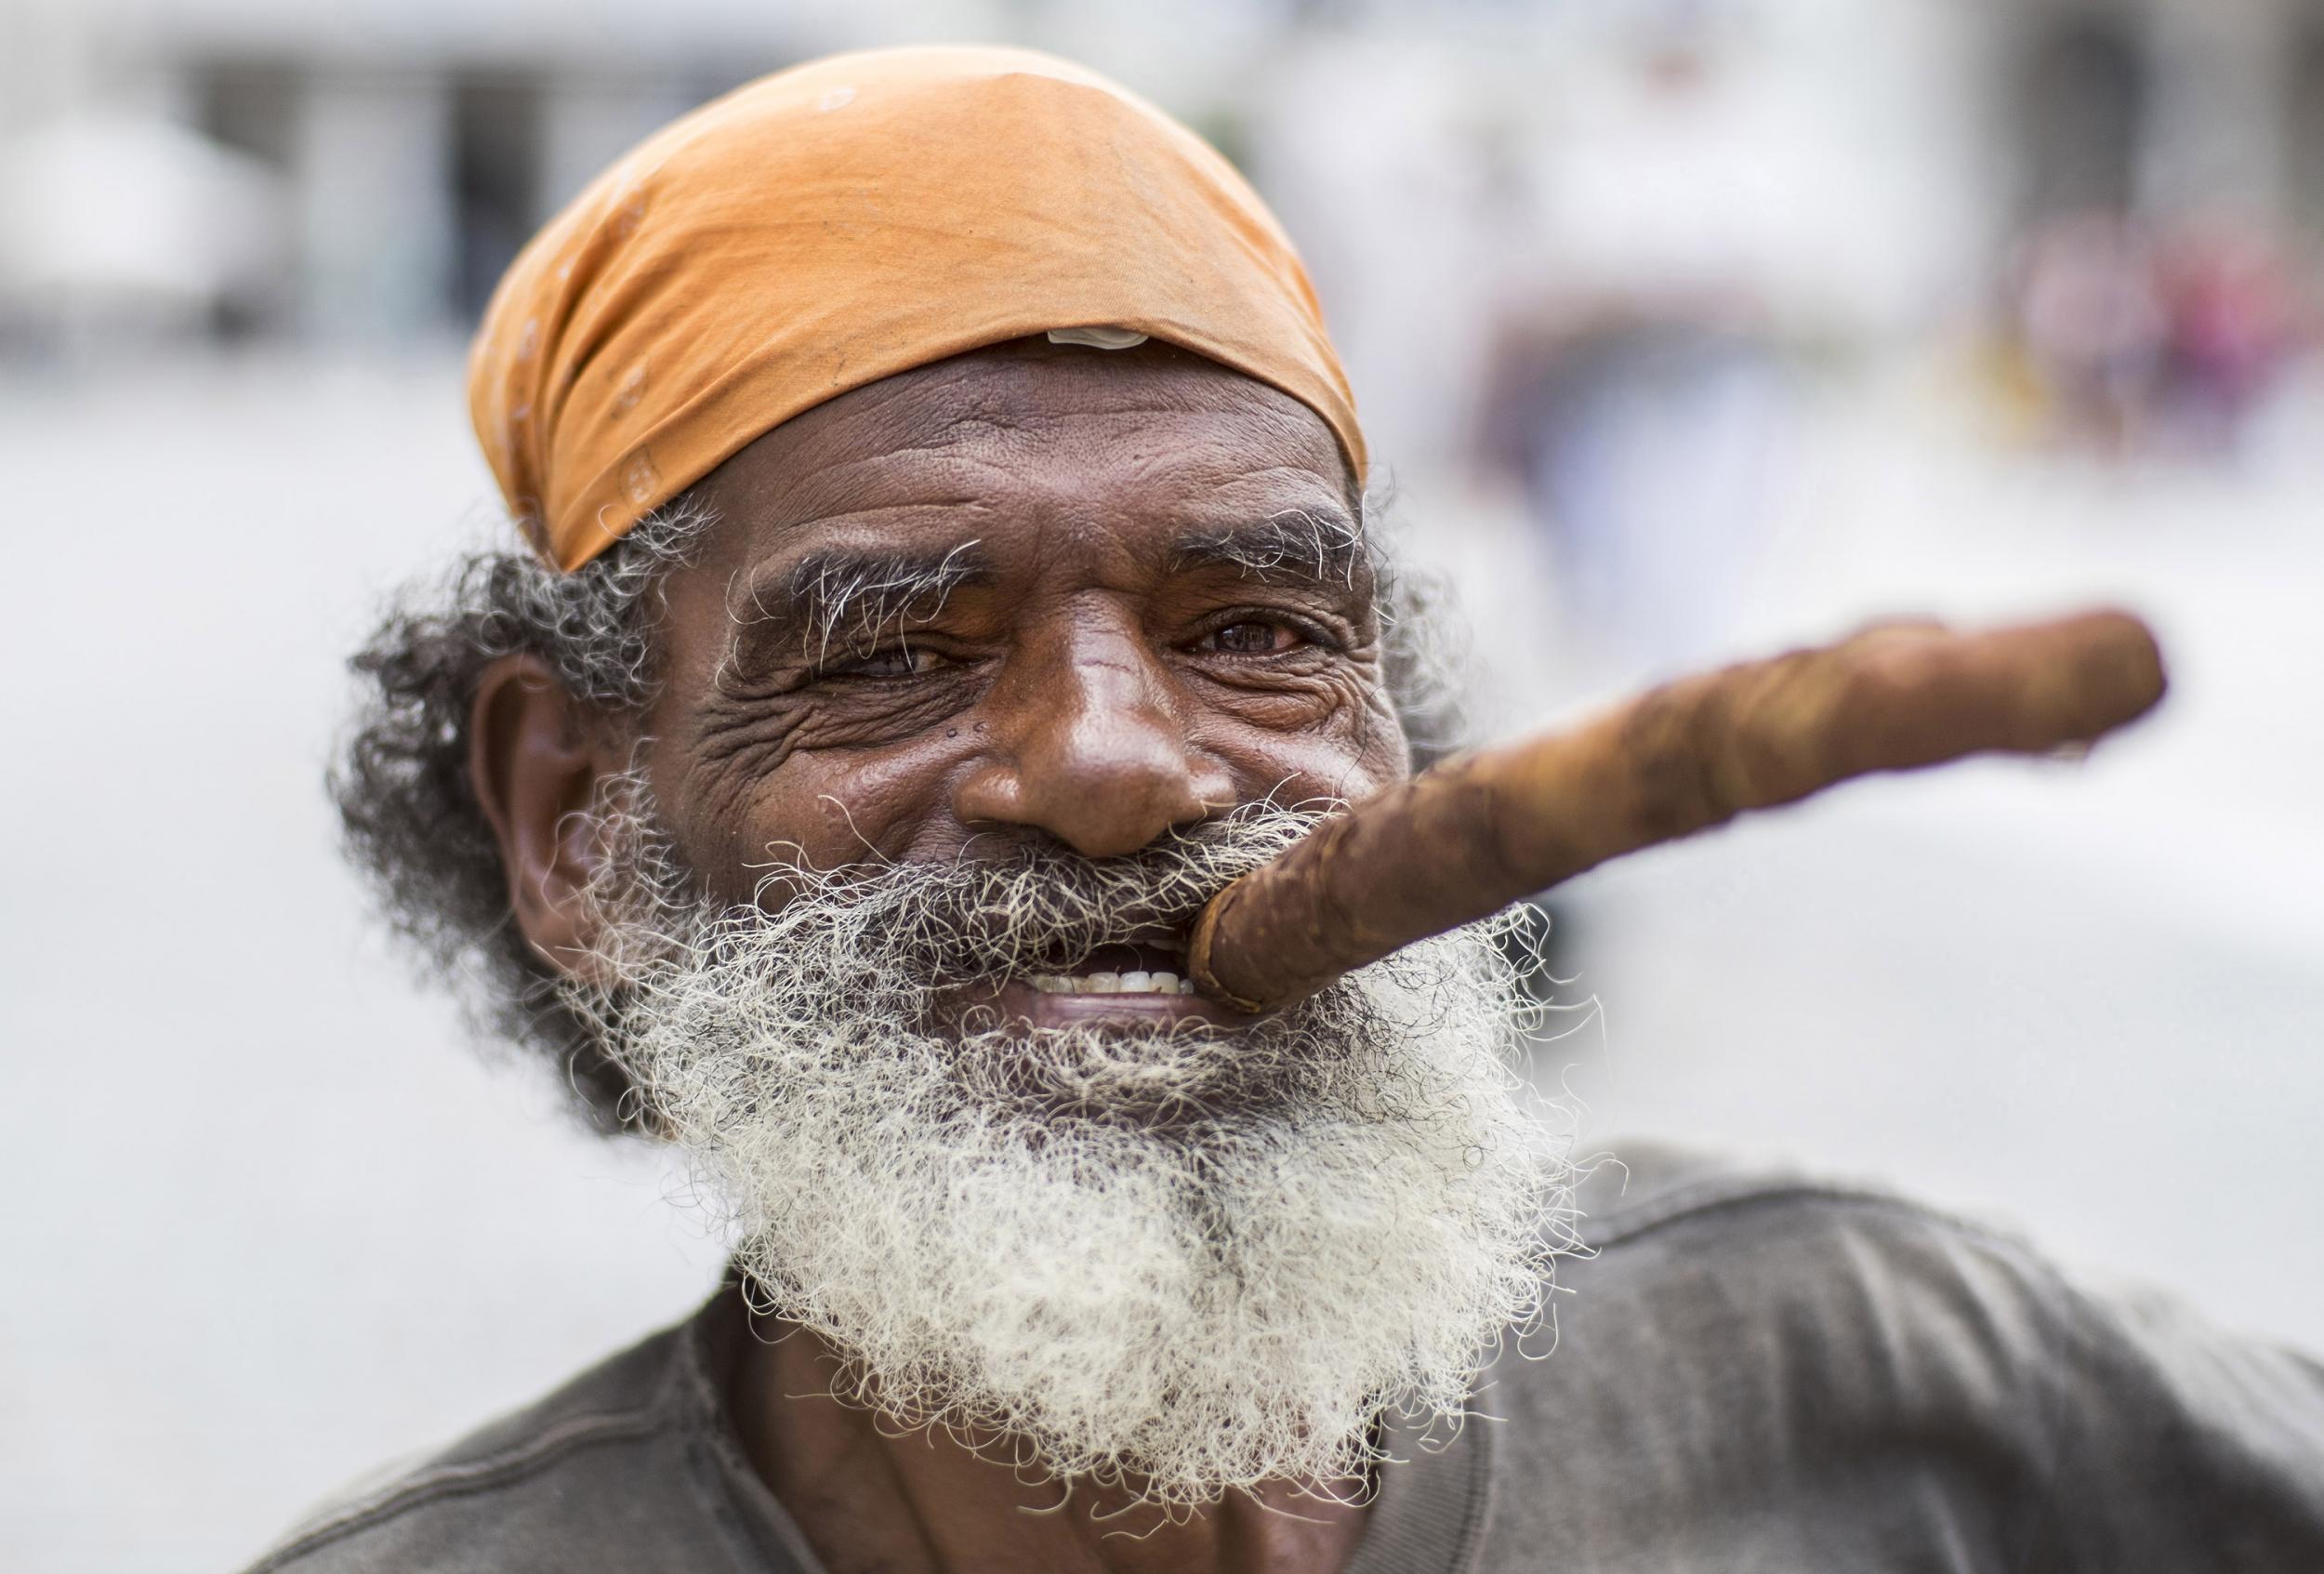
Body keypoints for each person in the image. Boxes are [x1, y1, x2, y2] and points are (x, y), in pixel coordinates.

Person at [251, 45, 2324, 1574]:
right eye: (892, 648)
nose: (1117, 766)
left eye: (1253, 627)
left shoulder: (1861, 1369)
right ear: (577, 822)